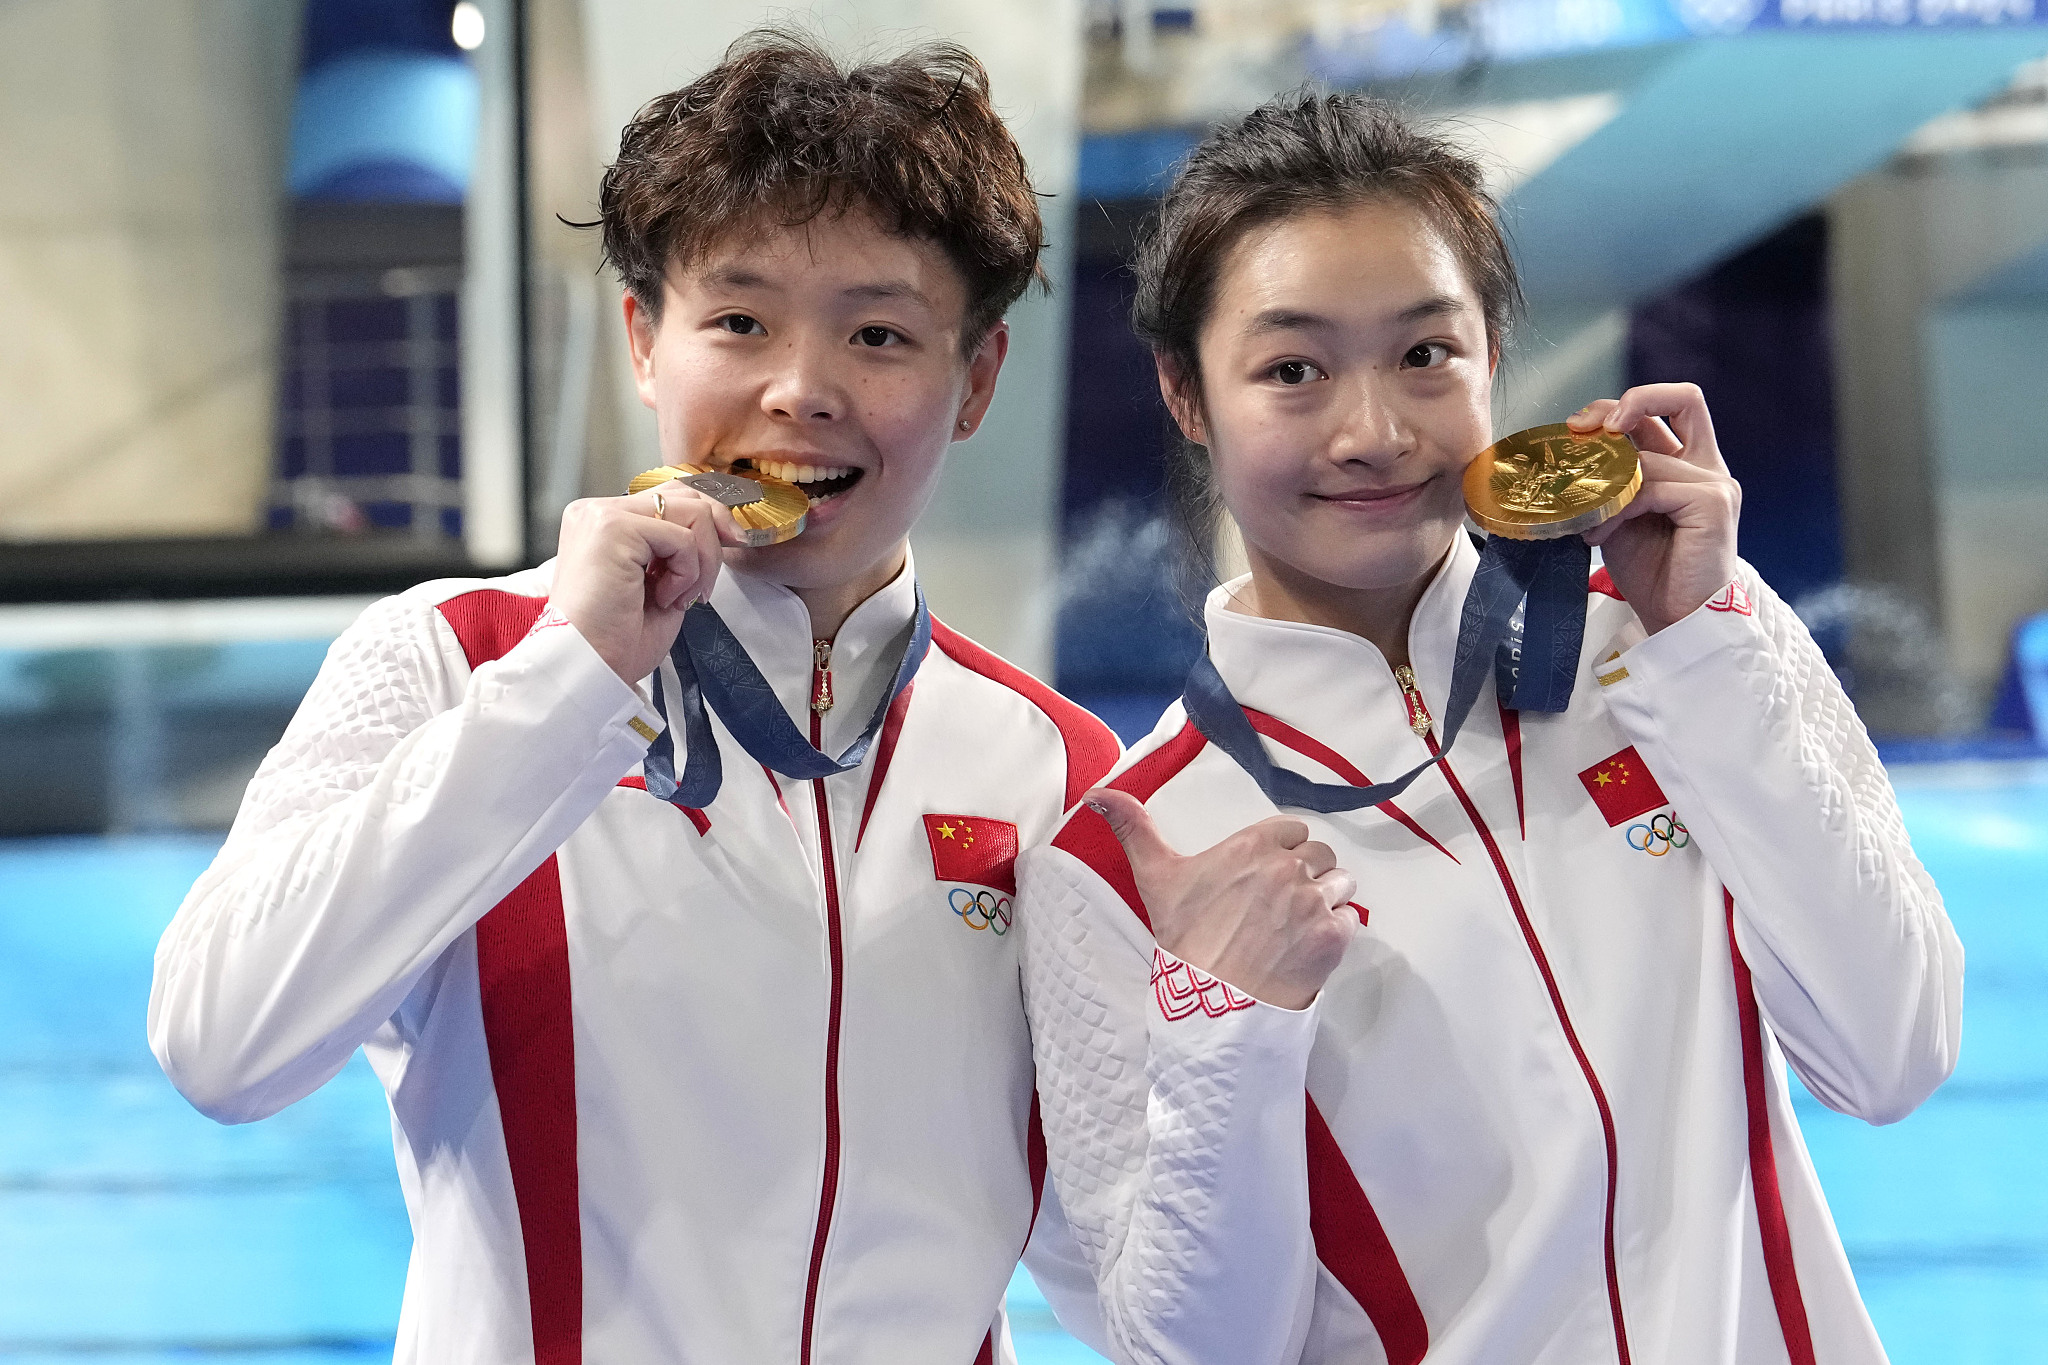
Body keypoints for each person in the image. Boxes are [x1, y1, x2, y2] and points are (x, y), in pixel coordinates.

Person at [149, 33, 1119, 1365]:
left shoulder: (1052, 763)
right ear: (643, 341)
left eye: (880, 333)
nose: (801, 388)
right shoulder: (455, 656)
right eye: (739, 320)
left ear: (979, 382)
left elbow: (1106, 1257)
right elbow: (222, 1042)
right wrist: (569, 680)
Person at [1019, 91, 1960, 1365]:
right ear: (1186, 396)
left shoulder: (1674, 647)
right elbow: (1186, 1349)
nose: (1374, 433)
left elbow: (1892, 1055)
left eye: (1424, 355)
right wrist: (1218, 1019)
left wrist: (1708, 644)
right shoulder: (1125, 859)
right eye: (1291, 370)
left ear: (1491, 356)